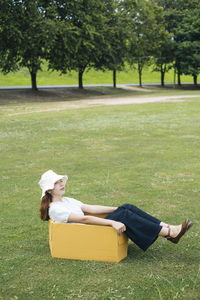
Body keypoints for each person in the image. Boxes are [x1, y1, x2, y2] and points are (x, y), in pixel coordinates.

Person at [39, 170, 193, 252]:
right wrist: (112, 221)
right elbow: (84, 219)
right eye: (56, 183)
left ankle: (168, 228)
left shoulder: (67, 200)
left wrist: (116, 209)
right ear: (49, 190)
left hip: (91, 226)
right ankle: (170, 233)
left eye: (61, 181)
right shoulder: (55, 209)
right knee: (124, 214)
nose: (61, 184)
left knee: (126, 207)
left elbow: (90, 208)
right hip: (88, 232)